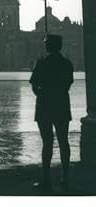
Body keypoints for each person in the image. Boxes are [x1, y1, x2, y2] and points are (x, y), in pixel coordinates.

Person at [29, 34, 74, 192]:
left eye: (46, 44)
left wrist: (42, 94)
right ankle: (65, 178)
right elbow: (68, 84)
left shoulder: (41, 63)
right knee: (64, 141)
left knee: (47, 143)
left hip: (45, 107)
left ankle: (46, 179)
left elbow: (34, 86)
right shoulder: (67, 64)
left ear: (48, 46)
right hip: (61, 105)